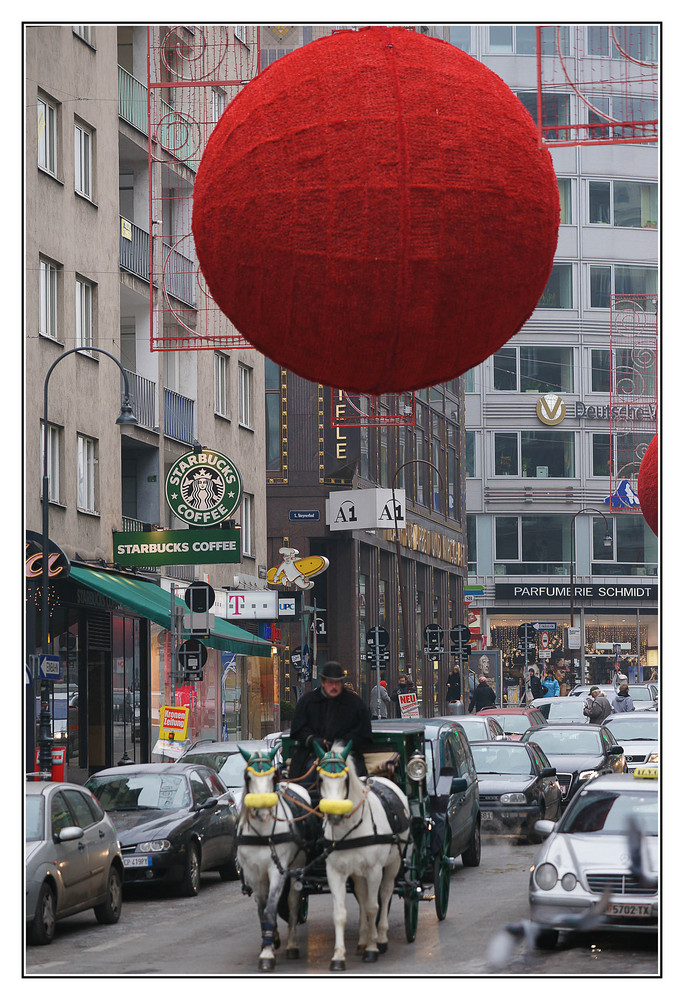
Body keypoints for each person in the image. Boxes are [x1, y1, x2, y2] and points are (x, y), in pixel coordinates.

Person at [288, 661, 373, 782]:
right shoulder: (307, 701)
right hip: (312, 755)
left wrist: (344, 743)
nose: (334, 686)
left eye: (337, 683)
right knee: (303, 784)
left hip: (348, 756)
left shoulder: (355, 704)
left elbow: (364, 733)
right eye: (330, 683)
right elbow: (297, 730)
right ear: (323, 683)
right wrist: (312, 740)